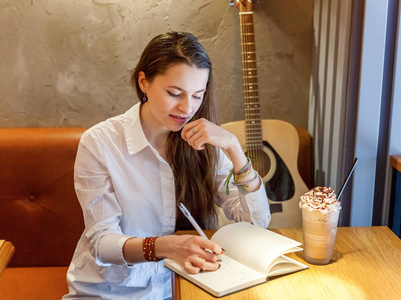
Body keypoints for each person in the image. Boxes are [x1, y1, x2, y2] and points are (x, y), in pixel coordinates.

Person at [63, 31, 271, 299]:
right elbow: (102, 243)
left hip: (189, 288)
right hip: (114, 292)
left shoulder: (204, 143)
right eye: (175, 93)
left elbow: (254, 223)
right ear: (144, 83)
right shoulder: (101, 143)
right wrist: (164, 247)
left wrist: (232, 147)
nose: (187, 108)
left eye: (198, 96)